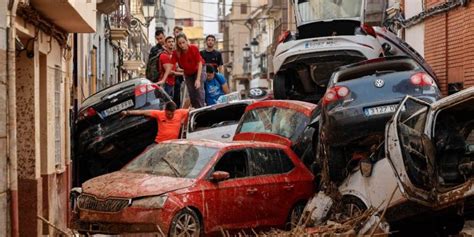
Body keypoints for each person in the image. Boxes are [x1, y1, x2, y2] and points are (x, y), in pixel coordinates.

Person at [121, 101, 188, 144]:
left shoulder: (180, 113)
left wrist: (184, 122)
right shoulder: (159, 114)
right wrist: (128, 112)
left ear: (174, 111)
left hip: (172, 144)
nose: (170, 116)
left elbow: (191, 110)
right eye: (168, 114)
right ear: (165, 110)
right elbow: (143, 112)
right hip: (159, 143)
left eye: (171, 114)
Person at [172, 33, 206, 108]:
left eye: (183, 42)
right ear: (177, 44)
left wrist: (197, 79)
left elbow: (199, 63)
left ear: (186, 41)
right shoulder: (176, 53)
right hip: (188, 72)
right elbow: (171, 65)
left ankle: (202, 108)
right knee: (191, 92)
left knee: (198, 90)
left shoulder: (193, 48)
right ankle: (195, 108)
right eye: (180, 43)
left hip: (199, 69)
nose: (182, 45)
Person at [173, 26, 185, 108]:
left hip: (183, 73)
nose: (178, 34)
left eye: (179, 32)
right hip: (174, 73)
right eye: (176, 32)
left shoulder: (184, 45)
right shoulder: (172, 44)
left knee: (183, 94)